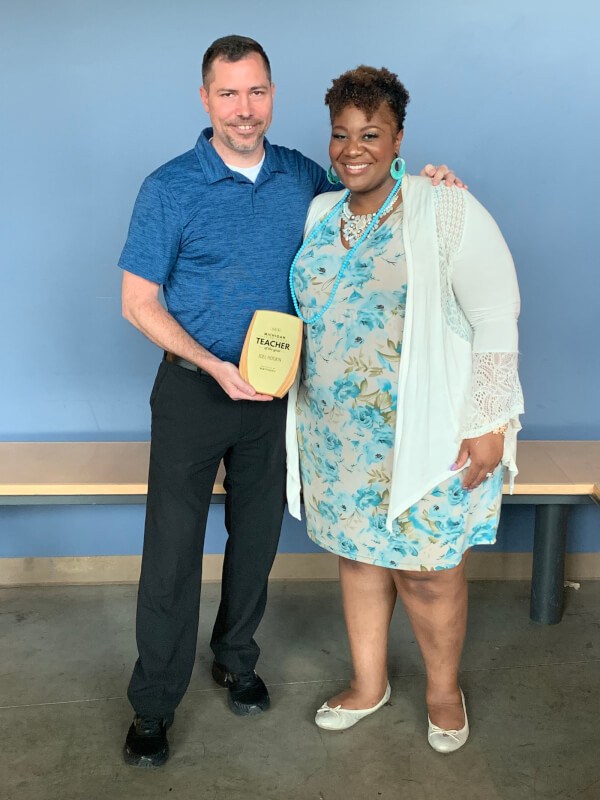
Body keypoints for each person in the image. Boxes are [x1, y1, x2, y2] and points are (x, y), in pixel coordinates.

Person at [119, 36, 461, 767]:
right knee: (171, 558)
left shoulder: (303, 177)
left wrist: (430, 181)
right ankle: (153, 704)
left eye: (258, 92)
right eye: (229, 93)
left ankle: (237, 659)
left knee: (257, 543)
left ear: (273, 94)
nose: (245, 109)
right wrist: (211, 365)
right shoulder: (169, 187)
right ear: (205, 99)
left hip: (275, 397)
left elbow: (377, 201)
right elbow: (137, 302)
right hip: (192, 392)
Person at [286, 65, 524, 753]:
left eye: (370, 133)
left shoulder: (444, 206)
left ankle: (444, 691)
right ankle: (369, 683)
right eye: (340, 134)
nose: (352, 148)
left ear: (398, 139)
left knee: (426, 573)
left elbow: (496, 317)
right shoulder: (318, 212)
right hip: (336, 433)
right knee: (359, 562)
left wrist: (487, 419)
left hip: (427, 432)